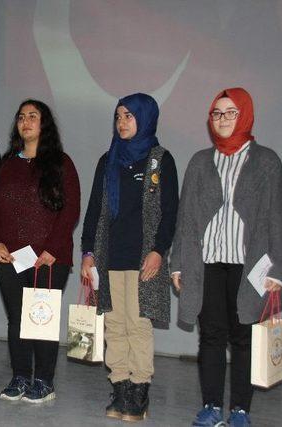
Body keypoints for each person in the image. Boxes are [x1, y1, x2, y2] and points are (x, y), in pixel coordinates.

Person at [170, 88, 282, 427]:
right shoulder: (199, 161)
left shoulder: (266, 161)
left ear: (245, 115)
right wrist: (177, 262)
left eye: (230, 112)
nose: (222, 119)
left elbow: (275, 219)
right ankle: (210, 406)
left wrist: (278, 268)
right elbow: (186, 217)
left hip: (249, 268)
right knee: (210, 337)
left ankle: (240, 409)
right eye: (216, 113)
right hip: (206, 264)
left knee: (243, 338)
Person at [81, 93, 178, 421]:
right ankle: (120, 385)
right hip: (111, 257)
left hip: (143, 260)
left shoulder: (160, 160)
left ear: (145, 118)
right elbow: (94, 210)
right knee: (113, 324)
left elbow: (170, 212)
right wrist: (88, 252)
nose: (122, 122)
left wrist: (158, 251)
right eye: (118, 116)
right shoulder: (107, 160)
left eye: (129, 116)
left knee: (138, 324)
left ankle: (139, 389)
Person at [0, 99, 80, 403]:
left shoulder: (62, 163)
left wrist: (53, 249)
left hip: (49, 258)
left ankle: (44, 381)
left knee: (42, 319)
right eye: (21, 117)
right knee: (17, 320)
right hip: (10, 257)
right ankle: (20, 376)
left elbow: (71, 210)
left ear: (44, 124)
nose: (25, 122)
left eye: (33, 116)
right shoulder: (6, 163)